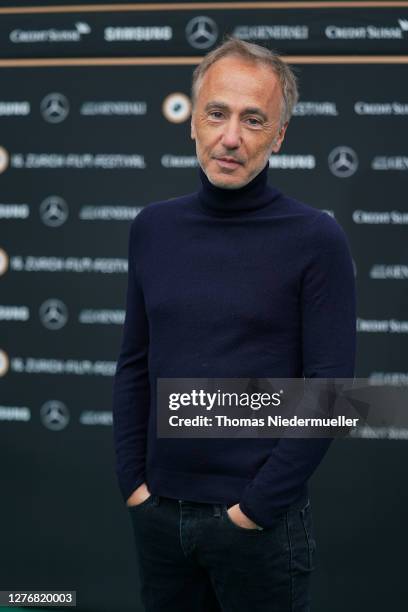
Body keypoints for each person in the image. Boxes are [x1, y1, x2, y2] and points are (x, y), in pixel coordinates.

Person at [112, 36, 356, 612]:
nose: (230, 137)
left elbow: (331, 390)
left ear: (279, 135)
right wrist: (135, 489)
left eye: (254, 120)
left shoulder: (316, 238)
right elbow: (134, 363)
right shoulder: (153, 227)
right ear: (192, 121)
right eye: (217, 113)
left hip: (260, 529)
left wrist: (254, 511)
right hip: (159, 517)